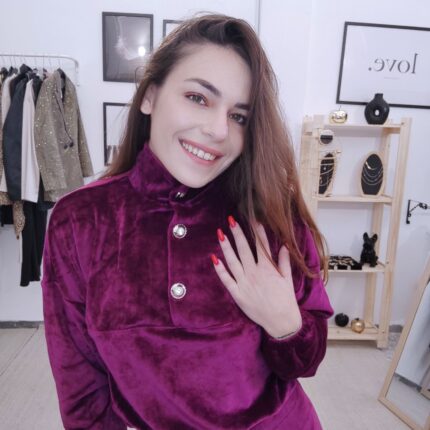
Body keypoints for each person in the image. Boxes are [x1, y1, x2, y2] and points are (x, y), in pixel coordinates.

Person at [41, 13, 334, 430]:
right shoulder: (80, 221)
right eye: (198, 97)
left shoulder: (270, 213)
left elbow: (306, 363)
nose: (218, 130)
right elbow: (82, 387)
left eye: (239, 116)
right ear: (150, 96)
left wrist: (285, 324)